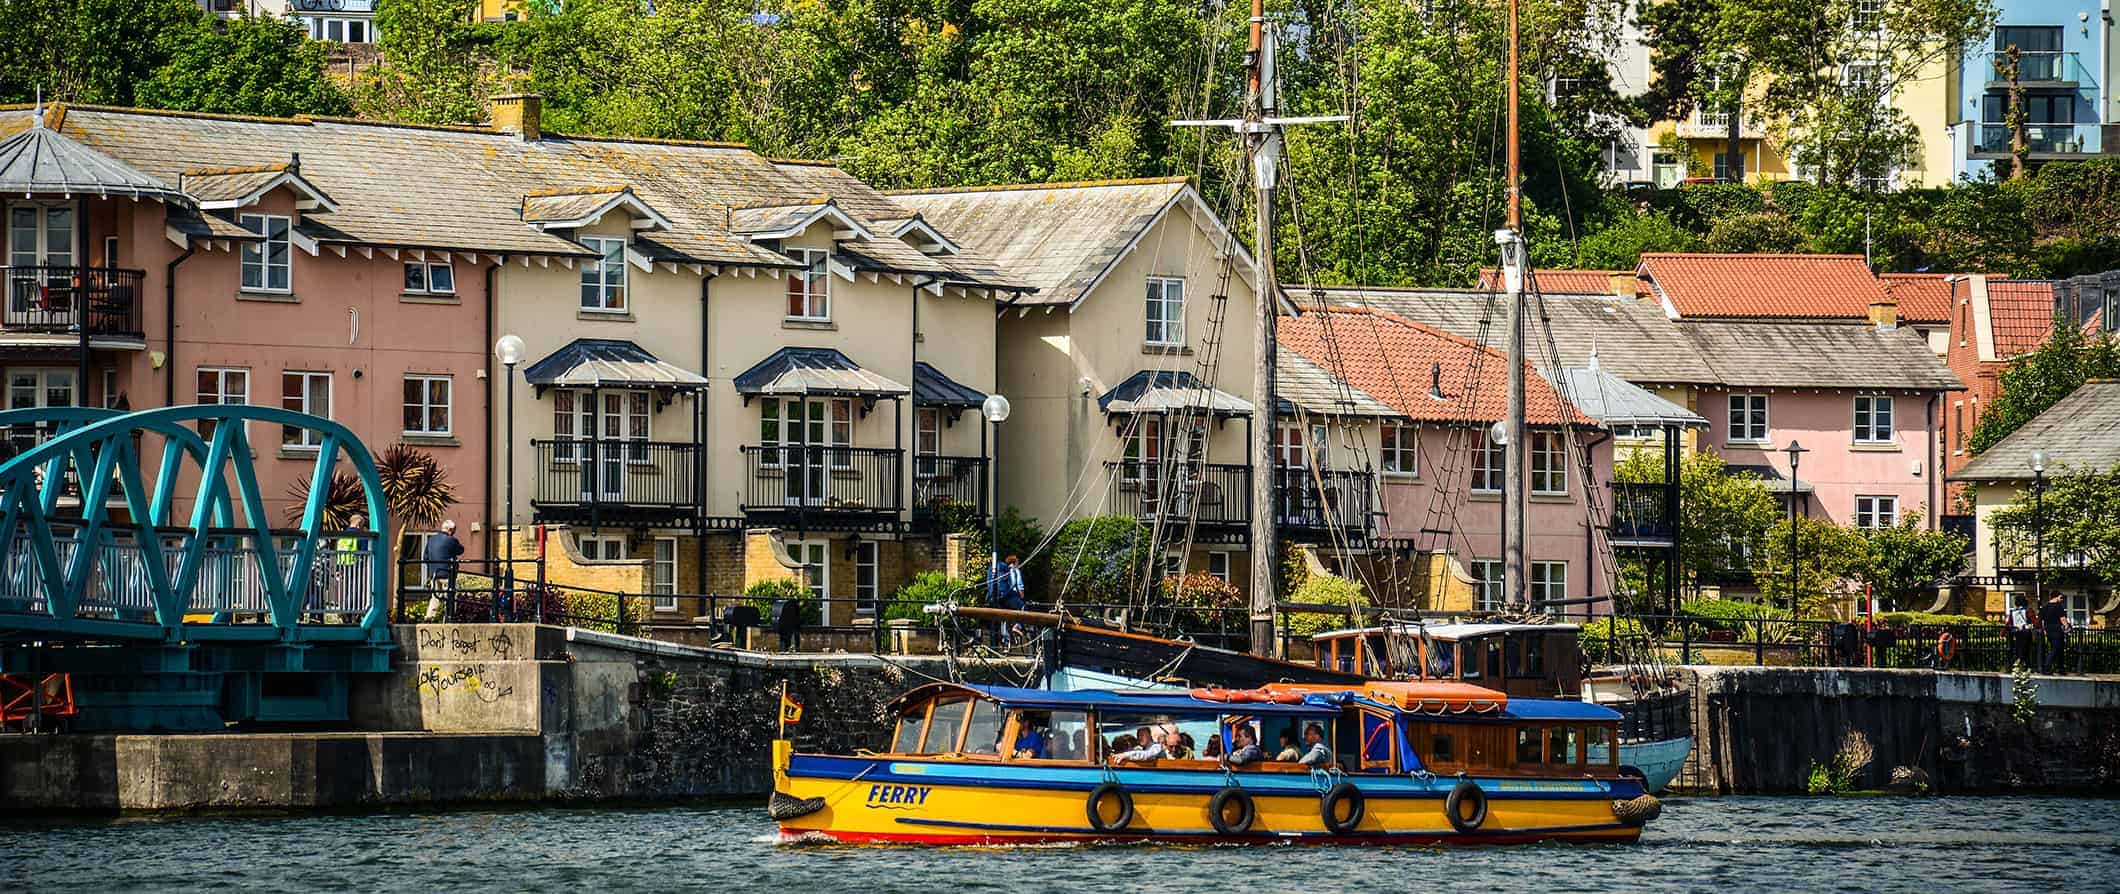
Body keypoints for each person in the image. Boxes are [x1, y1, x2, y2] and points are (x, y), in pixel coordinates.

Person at [423, 520, 465, 622]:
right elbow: (460, 550)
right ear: (450, 530)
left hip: (435, 574)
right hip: (447, 574)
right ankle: (449, 618)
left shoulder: (431, 539)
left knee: (435, 597)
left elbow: (425, 557)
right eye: (454, 531)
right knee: (450, 596)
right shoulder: (451, 540)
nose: (454, 533)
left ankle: (429, 617)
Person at [1113, 724, 1181, 764]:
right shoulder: (1139, 749)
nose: (1139, 738)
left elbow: (1147, 755)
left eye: (1142, 735)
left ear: (1149, 736)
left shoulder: (1156, 746)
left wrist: (1125, 755)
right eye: (1138, 735)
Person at [2040, 592, 2071, 674]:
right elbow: (2063, 619)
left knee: (2059, 650)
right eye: (2061, 598)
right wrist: (2067, 627)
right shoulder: (2058, 606)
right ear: (2056, 597)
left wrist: (2045, 630)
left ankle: (2061, 669)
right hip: (2057, 630)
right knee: (2055, 649)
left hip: (2049, 630)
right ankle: (2046, 667)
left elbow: (2042, 621)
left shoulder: (2044, 607)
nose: (2062, 600)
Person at [2006, 595, 2035, 668]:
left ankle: (2018, 665)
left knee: (2019, 649)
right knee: (2027, 650)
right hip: (2026, 632)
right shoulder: (2028, 610)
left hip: (2016, 632)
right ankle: (2026, 666)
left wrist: (2002, 633)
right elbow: (2034, 621)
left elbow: (2009, 623)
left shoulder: (2013, 611)